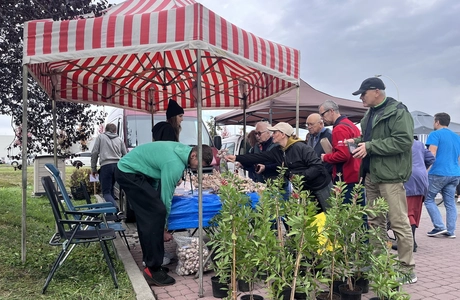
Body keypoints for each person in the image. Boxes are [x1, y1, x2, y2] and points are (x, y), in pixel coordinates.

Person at [114, 142, 213, 286]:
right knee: (157, 212)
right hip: (128, 172)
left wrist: (154, 198)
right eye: (199, 164)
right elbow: (166, 197)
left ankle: (152, 265)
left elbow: (154, 177)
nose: (198, 169)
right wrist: (164, 227)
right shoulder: (175, 164)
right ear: (193, 155)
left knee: (148, 214)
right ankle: (153, 270)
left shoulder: (181, 151)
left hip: (135, 171)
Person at [348, 77, 416, 283]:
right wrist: (357, 142)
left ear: (376, 91)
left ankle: (407, 269)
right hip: (371, 174)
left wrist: (369, 147)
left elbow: (403, 141)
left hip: (390, 177)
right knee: (374, 221)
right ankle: (378, 263)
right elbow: (371, 140)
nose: (361, 97)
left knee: (398, 222)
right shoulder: (369, 114)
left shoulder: (398, 111)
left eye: (363, 93)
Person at [226, 122, 333, 212]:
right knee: (313, 217)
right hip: (305, 188)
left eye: (275, 132)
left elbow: (317, 167)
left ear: (283, 134)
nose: (272, 135)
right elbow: (258, 156)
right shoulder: (278, 151)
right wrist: (236, 157)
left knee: (329, 215)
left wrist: (299, 177)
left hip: (321, 186)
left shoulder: (301, 147)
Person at [392, 138, 434, 252]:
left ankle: (409, 243)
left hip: (407, 178)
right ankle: (410, 241)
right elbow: (431, 158)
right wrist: (421, 168)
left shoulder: (397, 142)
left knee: (406, 212)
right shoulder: (419, 144)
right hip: (422, 178)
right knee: (415, 211)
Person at [424, 112, 460, 238]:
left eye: (434, 121)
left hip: (438, 172)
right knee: (450, 202)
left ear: (437, 122)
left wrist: (425, 169)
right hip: (455, 173)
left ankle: (439, 226)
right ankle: (451, 231)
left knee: (428, 199)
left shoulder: (435, 134)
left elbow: (431, 154)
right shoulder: (457, 137)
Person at [318, 100, 361, 204]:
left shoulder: (339, 128)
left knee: (346, 214)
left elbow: (343, 155)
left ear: (331, 111)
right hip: (356, 174)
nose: (322, 119)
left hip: (345, 178)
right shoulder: (351, 125)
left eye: (323, 115)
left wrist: (325, 157)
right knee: (357, 213)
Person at [91, 123, 127, 210]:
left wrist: (94, 168)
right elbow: (125, 155)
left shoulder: (101, 137)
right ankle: (110, 213)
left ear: (105, 130)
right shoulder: (119, 140)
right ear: (115, 131)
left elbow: (95, 152)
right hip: (118, 167)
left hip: (106, 166)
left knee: (106, 192)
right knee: (111, 190)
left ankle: (115, 208)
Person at [305, 113, 333, 178]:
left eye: (311, 124)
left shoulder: (329, 136)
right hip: (314, 177)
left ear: (320, 124)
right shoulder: (310, 137)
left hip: (326, 177)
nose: (309, 127)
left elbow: (333, 157)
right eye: (307, 124)